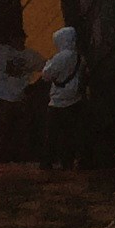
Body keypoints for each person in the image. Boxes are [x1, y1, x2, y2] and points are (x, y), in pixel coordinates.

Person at [37, 25, 87, 171]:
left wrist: (47, 64)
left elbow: (46, 75)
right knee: (69, 134)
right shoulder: (79, 57)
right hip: (75, 99)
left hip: (58, 100)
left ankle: (47, 163)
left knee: (51, 135)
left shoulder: (60, 57)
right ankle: (67, 162)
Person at [0, 34, 43, 163]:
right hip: (11, 97)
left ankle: (7, 156)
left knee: (13, 129)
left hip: (13, 97)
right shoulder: (11, 52)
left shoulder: (22, 54)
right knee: (9, 128)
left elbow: (46, 67)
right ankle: (3, 156)